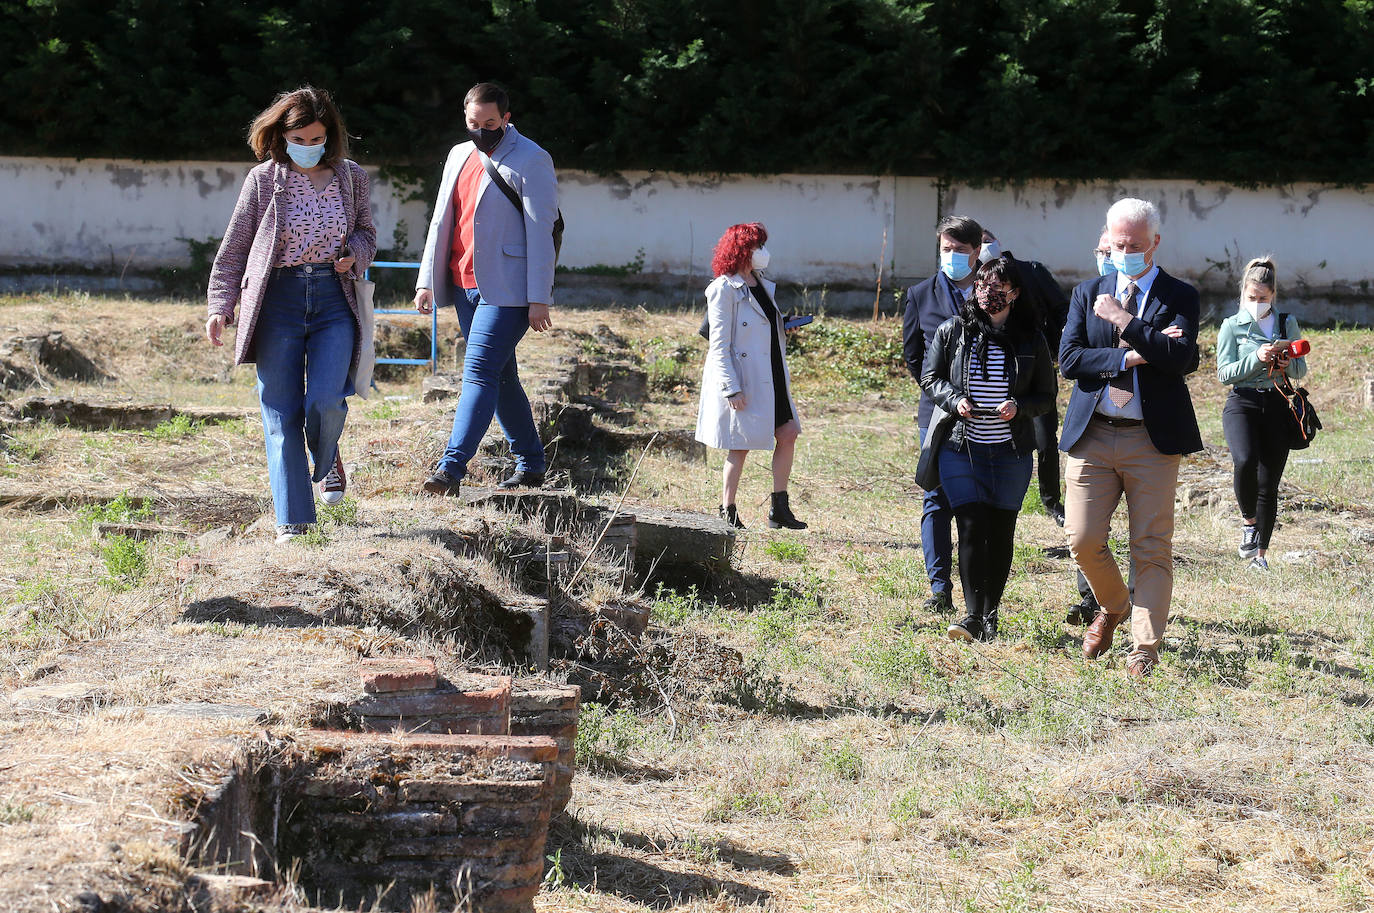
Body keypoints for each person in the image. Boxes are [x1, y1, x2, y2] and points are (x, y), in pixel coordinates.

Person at [205, 86, 376, 544]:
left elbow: (366, 233)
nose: (306, 147)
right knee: (280, 411)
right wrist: (221, 306)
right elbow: (235, 247)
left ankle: (327, 455)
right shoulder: (264, 180)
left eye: (315, 138)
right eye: (297, 139)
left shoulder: (351, 177)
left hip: (332, 297)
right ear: (281, 137)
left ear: (330, 136)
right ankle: (294, 523)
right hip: (275, 299)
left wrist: (354, 254)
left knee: (324, 399)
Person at [1059, 198, 1202, 677]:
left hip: (1152, 439)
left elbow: (1181, 360)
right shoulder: (1087, 292)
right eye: (1118, 243)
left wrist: (1124, 322)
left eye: (1135, 245)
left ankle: (1145, 648)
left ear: (1155, 243)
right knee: (1080, 538)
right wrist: (1131, 356)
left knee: (1151, 546)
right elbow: (1071, 361)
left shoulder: (1180, 295)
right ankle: (1114, 604)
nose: (1125, 251)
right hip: (1093, 433)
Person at [414, 82, 558, 497]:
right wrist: (426, 280)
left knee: (477, 371)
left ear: (506, 118)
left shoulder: (533, 158)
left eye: (490, 123)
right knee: (502, 376)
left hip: (509, 290)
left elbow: (541, 232)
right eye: (473, 123)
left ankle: (450, 469)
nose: (481, 130)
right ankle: (530, 464)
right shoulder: (459, 154)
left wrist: (539, 297)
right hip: (462, 285)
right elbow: (441, 221)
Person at [920, 256, 1055, 641]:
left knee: (1001, 531)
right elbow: (931, 377)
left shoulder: (1031, 337)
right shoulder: (953, 331)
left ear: (1014, 294)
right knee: (970, 526)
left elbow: (1046, 395)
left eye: (997, 289)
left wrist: (1020, 408)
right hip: (961, 448)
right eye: (981, 285)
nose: (987, 294)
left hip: (1011, 452)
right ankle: (971, 616)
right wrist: (954, 398)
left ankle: (990, 614)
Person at [694, 222, 806, 530]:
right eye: (757, 246)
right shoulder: (723, 289)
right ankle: (727, 509)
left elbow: (764, 323)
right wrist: (731, 388)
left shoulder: (762, 284)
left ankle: (779, 508)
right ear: (742, 250)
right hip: (744, 376)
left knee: (788, 433)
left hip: (771, 373)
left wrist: (785, 324)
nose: (763, 252)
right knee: (740, 445)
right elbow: (719, 344)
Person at [902, 215, 984, 614]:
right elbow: (913, 355)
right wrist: (941, 392)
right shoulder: (920, 294)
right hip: (936, 411)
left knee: (978, 496)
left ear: (976, 253)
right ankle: (939, 587)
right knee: (936, 496)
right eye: (945, 249)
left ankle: (979, 590)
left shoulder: (995, 289)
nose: (951, 256)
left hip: (988, 411)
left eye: (959, 251)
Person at [1217, 256, 1308, 571]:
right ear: (1243, 294)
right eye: (1251, 298)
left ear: (1273, 296)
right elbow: (1225, 373)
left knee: (1269, 482)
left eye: (1263, 298)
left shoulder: (1286, 323)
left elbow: (1301, 368)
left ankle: (1261, 556)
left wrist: (1285, 363)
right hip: (1242, 402)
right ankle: (1247, 522)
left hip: (1277, 403)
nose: (1256, 303)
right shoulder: (1232, 325)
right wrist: (1257, 356)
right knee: (1244, 459)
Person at [979, 228, 1069, 526]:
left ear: (998, 243)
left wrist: (1056, 350)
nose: (983, 248)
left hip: (1033, 365)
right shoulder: (977, 281)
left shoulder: (1031, 272)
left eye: (986, 242)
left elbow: (1061, 310)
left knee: (1045, 438)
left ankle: (1052, 501)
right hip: (990, 370)